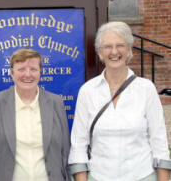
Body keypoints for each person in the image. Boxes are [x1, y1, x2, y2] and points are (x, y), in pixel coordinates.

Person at [68, 21, 171, 181]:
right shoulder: (87, 91)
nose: (114, 51)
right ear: (100, 53)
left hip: (142, 175)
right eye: (108, 46)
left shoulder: (146, 89)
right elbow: (78, 143)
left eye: (120, 45)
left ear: (129, 50)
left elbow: (159, 140)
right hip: (99, 176)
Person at [0, 48, 71, 181]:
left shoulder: (56, 103)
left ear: (40, 72)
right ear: (11, 72)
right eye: (21, 69)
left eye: (33, 69)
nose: (28, 74)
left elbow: (65, 152)